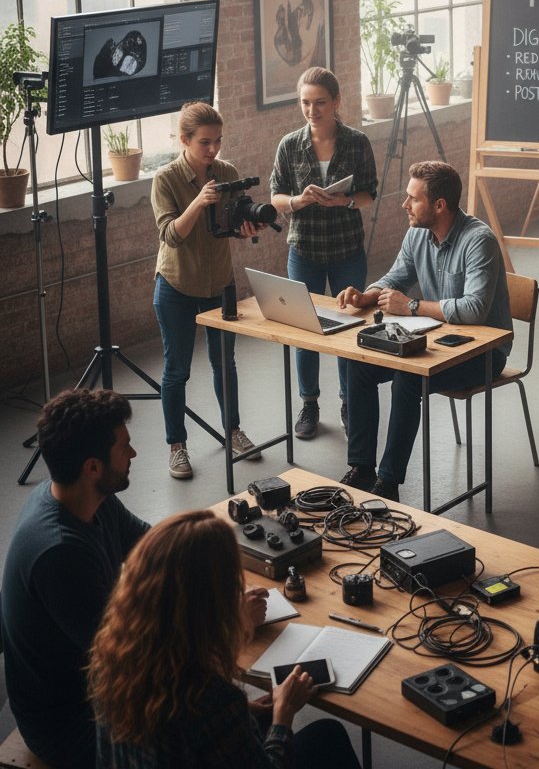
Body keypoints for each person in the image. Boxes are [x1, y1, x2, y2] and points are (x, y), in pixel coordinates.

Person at [88, 510, 360, 769]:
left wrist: (244, 712)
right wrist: (283, 714)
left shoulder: (110, 658)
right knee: (328, 735)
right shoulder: (211, 699)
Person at [338, 161, 512, 502]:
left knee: (409, 378)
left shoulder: (479, 241)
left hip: (485, 353)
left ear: (439, 205)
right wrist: (368, 294)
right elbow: (395, 278)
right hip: (437, 343)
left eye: (412, 199)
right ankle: (361, 469)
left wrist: (412, 307)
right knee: (355, 364)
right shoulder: (416, 233)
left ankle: (388, 483)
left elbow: (474, 309)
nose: (405, 205)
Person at [0, 388, 149, 769]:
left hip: (95, 687)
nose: (132, 454)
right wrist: (225, 624)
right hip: (71, 727)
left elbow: (152, 545)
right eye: (124, 447)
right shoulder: (60, 554)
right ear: (93, 467)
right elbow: (133, 661)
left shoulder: (86, 497)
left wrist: (211, 545)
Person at [152, 101, 265, 479]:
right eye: (204, 142)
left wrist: (246, 226)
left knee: (224, 364)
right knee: (176, 370)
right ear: (184, 140)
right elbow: (171, 235)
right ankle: (177, 446)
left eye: (218, 140)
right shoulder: (165, 179)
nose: (213, 149)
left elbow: (234, 221)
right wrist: (199, 202)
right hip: (176, 286)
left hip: (219, 284)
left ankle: (232, 431)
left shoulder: (227, 172)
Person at [270, 67, 378, 441]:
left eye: (319, 103)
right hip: (305, 249)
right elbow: (276, 196)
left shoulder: (357, 142)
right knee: (306, 329)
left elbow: (369, 193)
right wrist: (298, 201)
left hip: (347, 248)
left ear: (336, 102)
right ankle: (309, 403)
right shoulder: (289, 145)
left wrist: (344, 201)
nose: (311, 111)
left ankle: (349, 400)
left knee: (349, 328)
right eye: (305, 103)